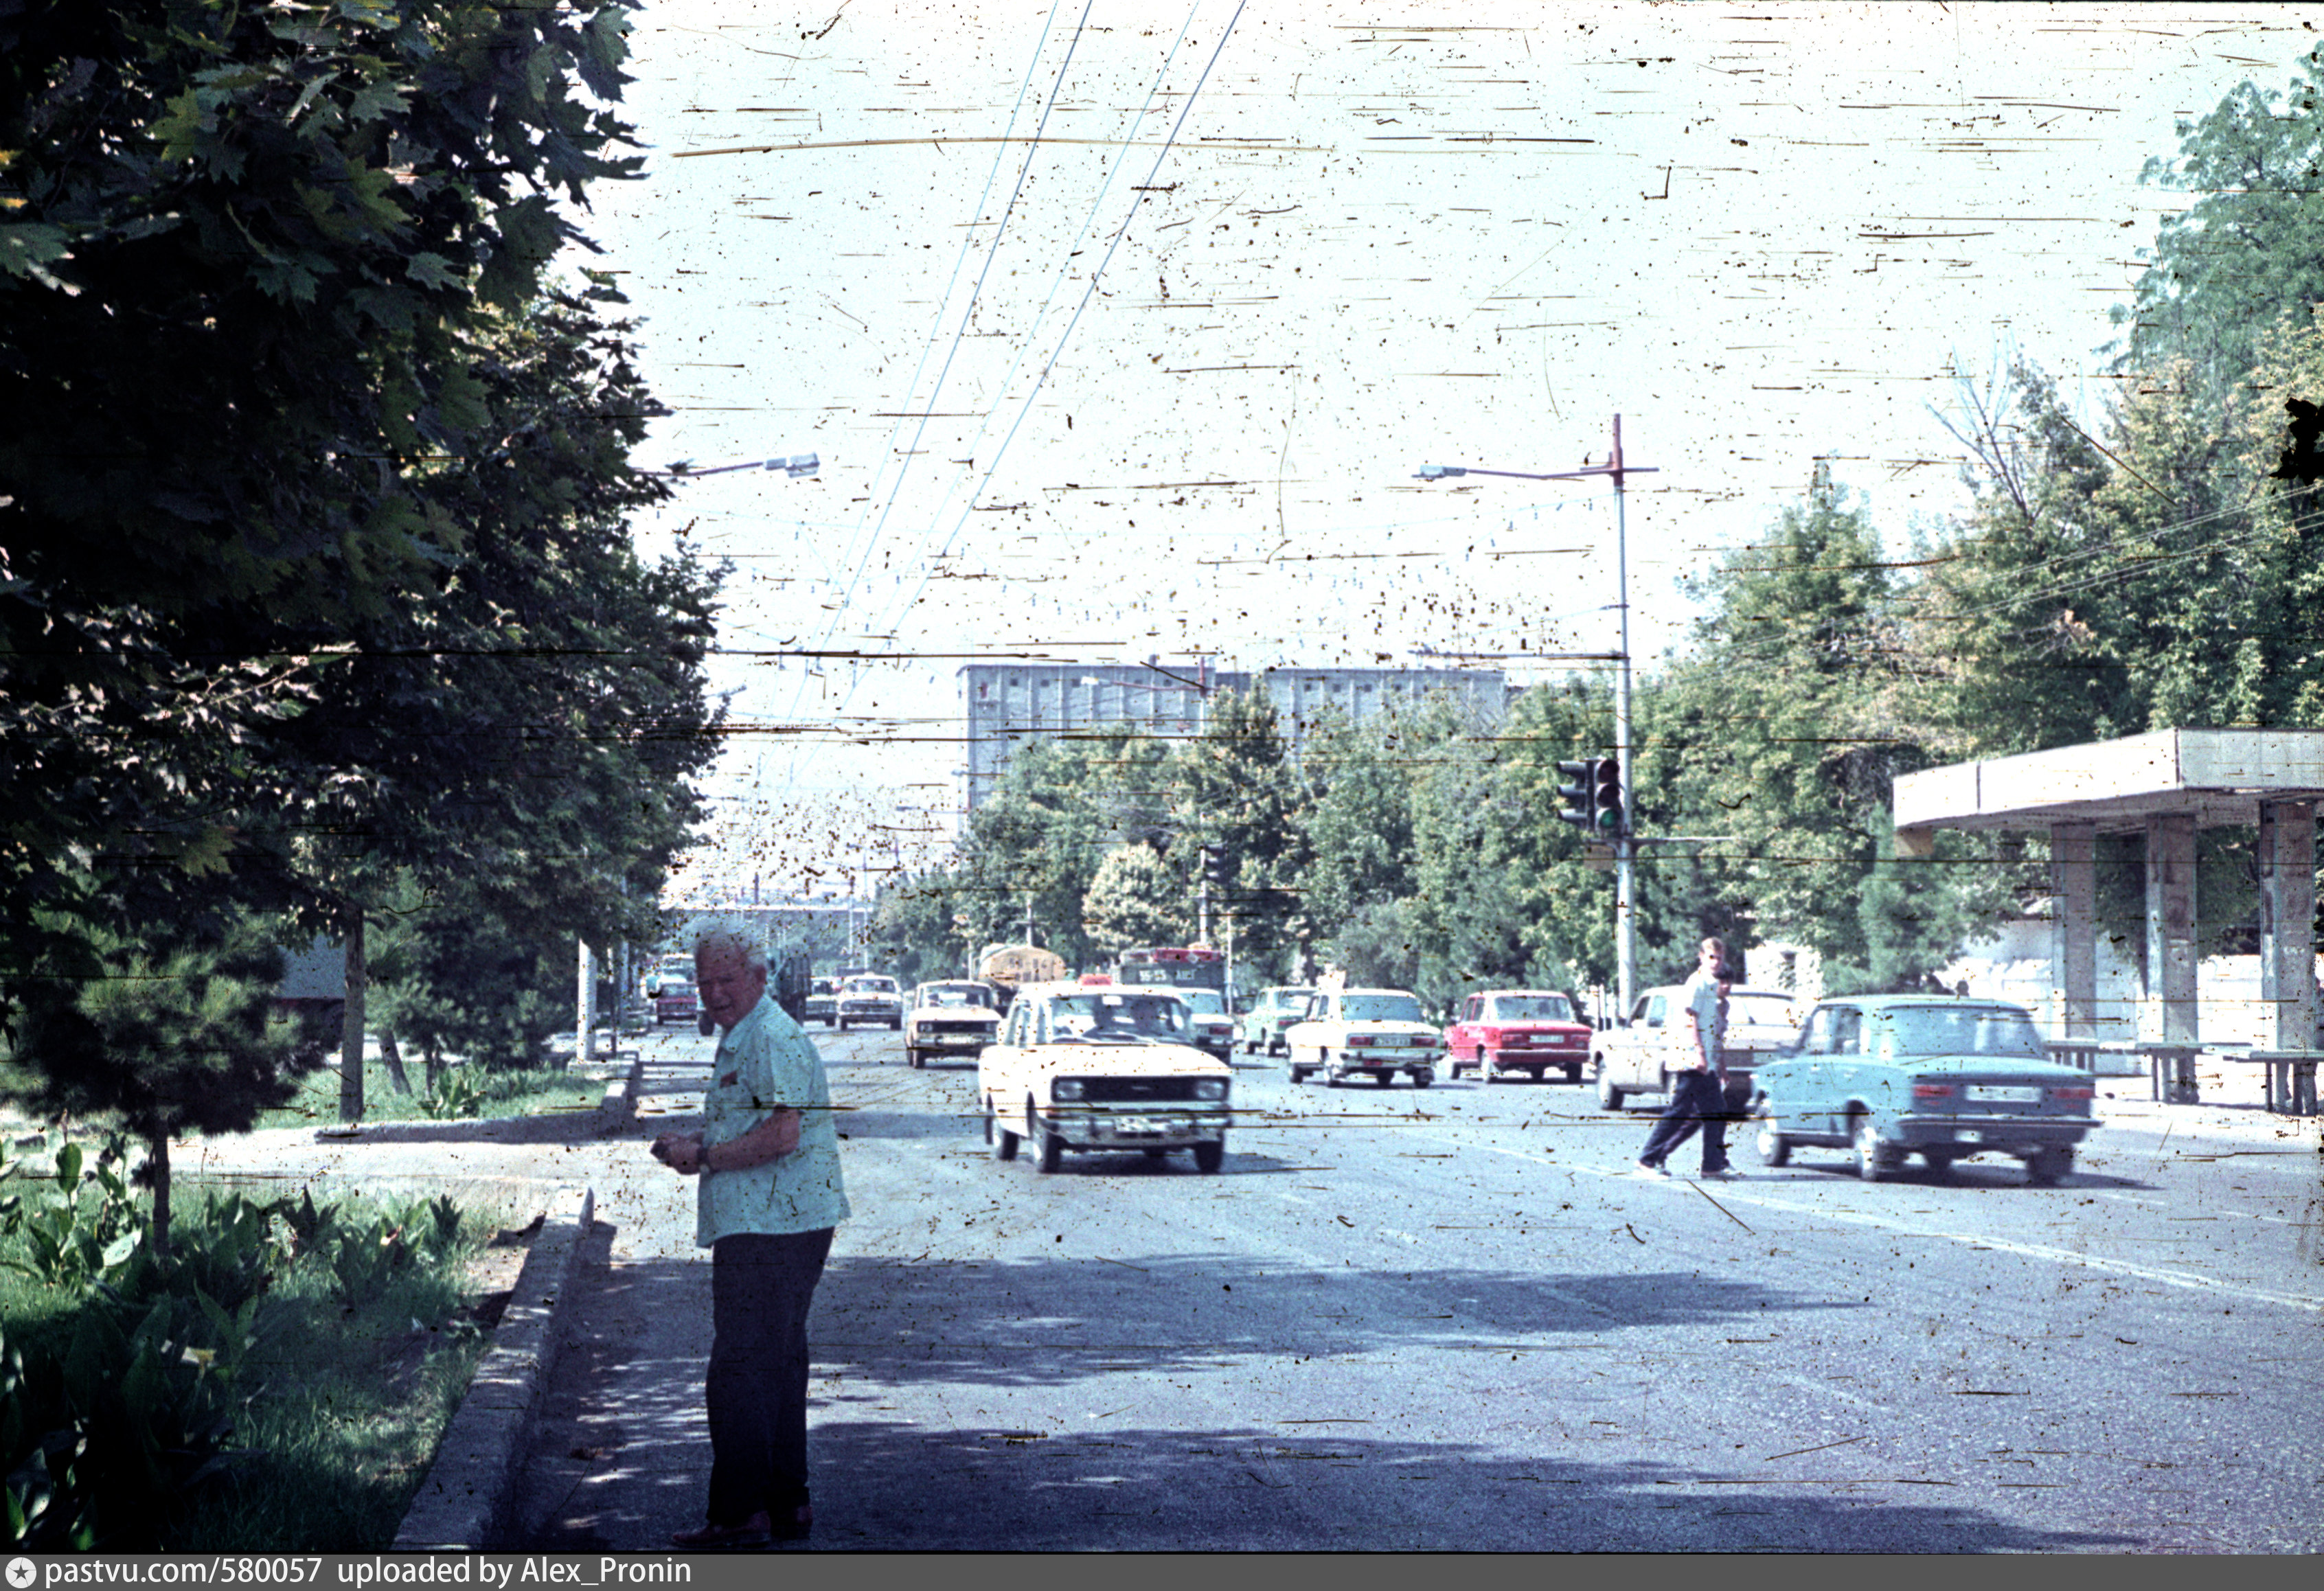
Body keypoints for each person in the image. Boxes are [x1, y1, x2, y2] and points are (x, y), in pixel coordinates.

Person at [653, 926, 850, 1549]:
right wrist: (696, 1146)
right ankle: (787, 1502)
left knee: (739, 1367)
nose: (714, 993)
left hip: (773, 1224)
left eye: (726, 979)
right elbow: (759, 1122)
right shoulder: (749, 1036)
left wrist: (703, 1155)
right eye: (705, 981)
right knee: (778, 1362)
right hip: (776, 1220)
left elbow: (784, 1133)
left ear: (759, 978)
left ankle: (740, 1513)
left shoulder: (768, 1036)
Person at [1635, 937, 1743, 1180]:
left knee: (1716, 1112)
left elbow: (1713, 1029)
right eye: (1711, 957)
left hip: (1706, 1065)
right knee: (1680, 1112)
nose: (1716, 962)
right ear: (1702, 957)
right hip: (1690, 1059)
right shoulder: (1696, 983)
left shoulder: (1710, 986)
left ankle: (1712, 1166)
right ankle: (1647, 1160)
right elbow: (1690, 1019)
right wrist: (1700, 1053)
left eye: (1720, 957)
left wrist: (1719, 1065)